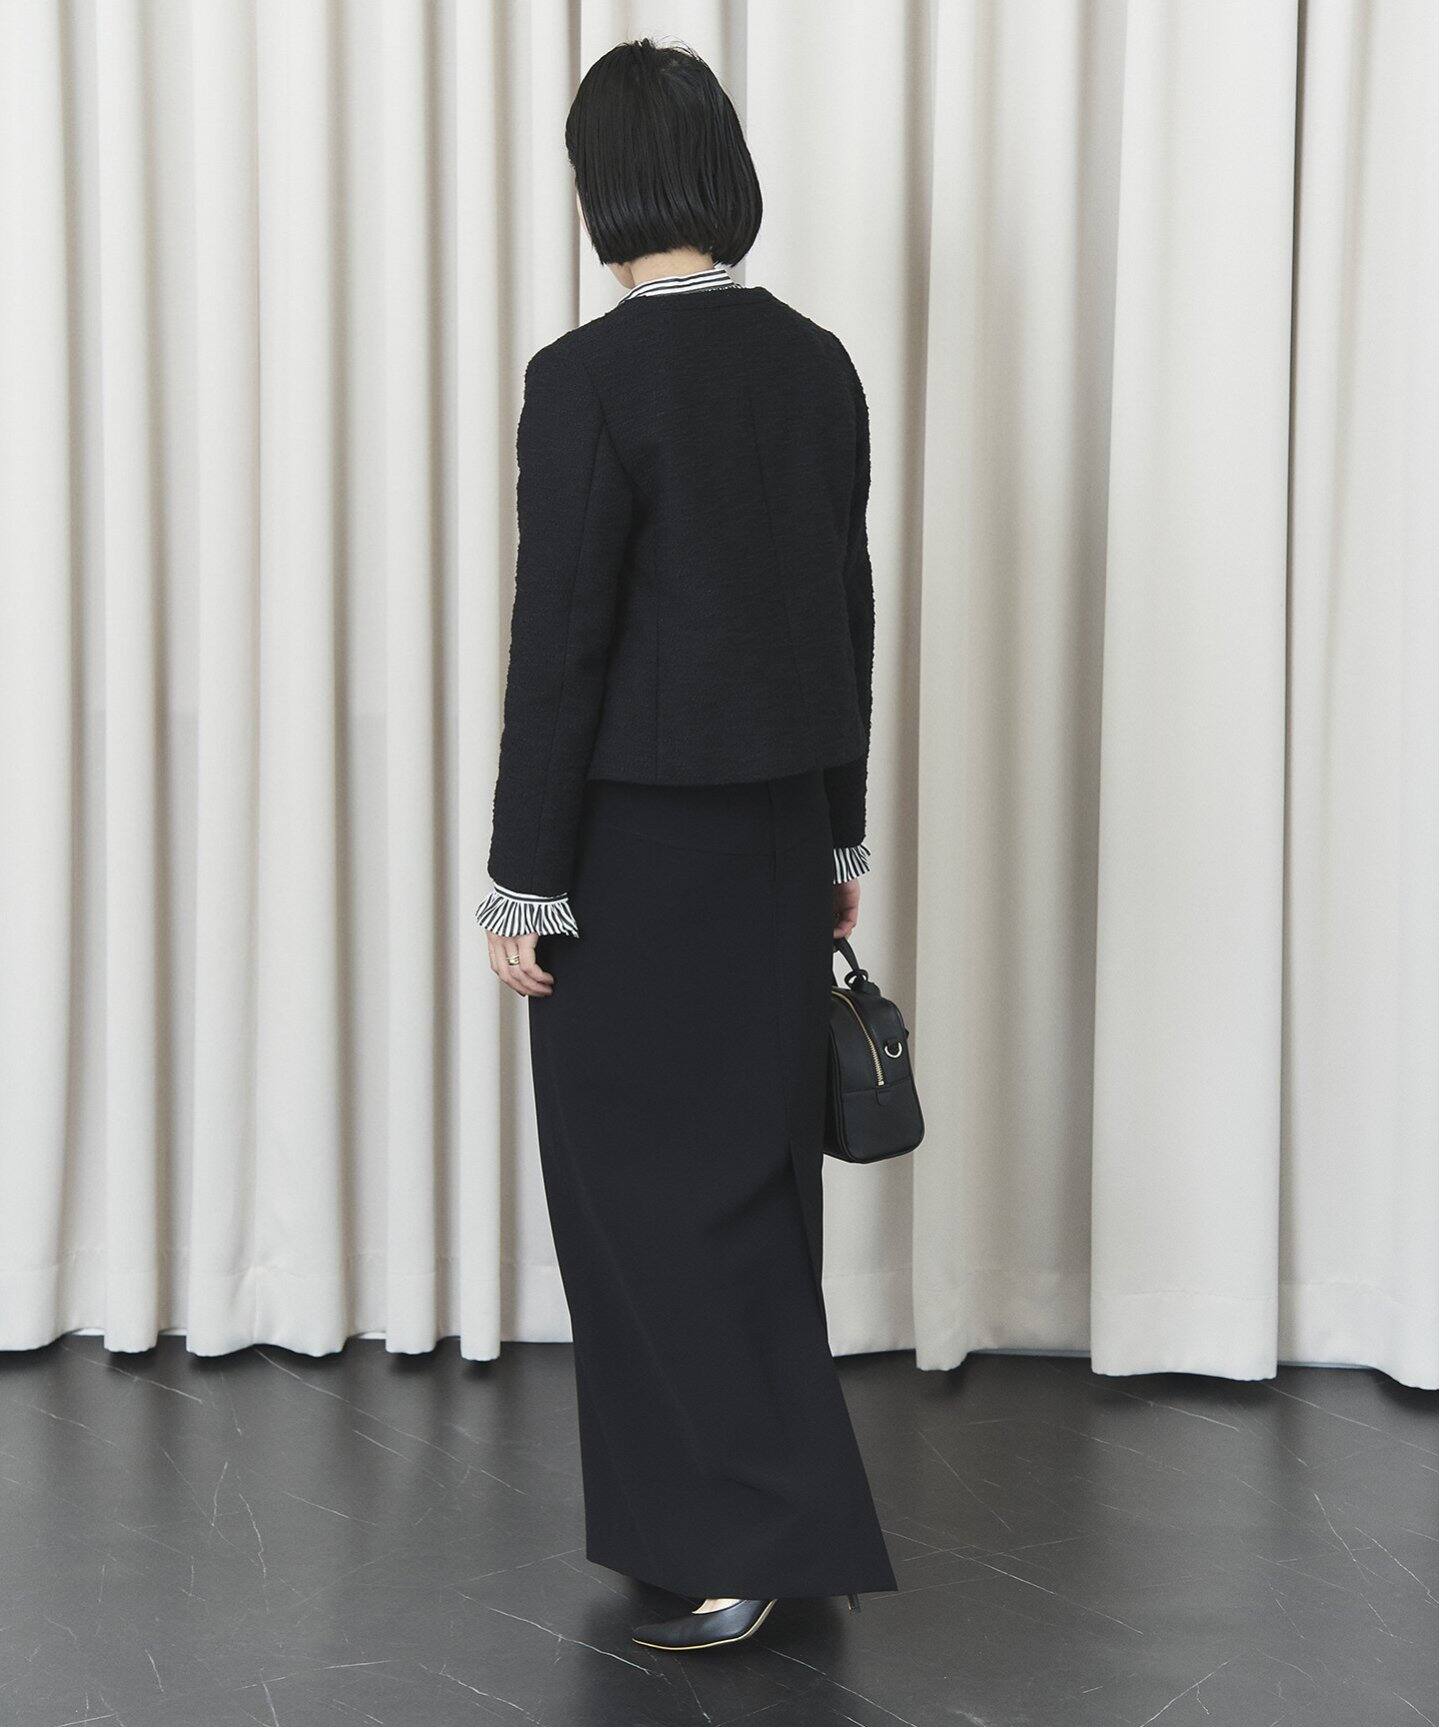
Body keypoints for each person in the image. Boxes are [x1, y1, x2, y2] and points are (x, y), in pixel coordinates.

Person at [475, 36, 897, 1653]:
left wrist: (523, 872)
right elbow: (847, 617)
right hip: (778, 833)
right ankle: (717, 1526)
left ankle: (745, 1537)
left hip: (635, 855)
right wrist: (842, 833)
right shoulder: (816, 362)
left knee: (645, 1200)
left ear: (601, 188)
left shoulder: (586, 379)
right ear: (723, 172)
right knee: (746, 1188)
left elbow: (561, 644)